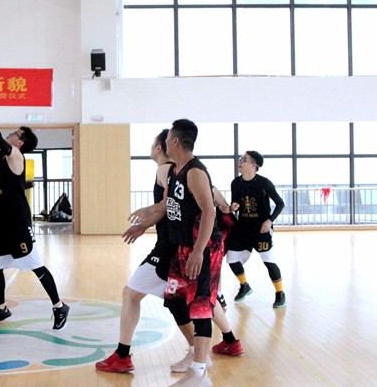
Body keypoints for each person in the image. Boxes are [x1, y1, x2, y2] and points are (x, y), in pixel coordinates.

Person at [97, 132, 240, 374]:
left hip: (170, 248)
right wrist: (224, 205)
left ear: (159, 147)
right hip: (179, 245)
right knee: (197, 298)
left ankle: (126, 355)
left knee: (135, 295)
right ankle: (228, 341)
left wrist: (146, 220)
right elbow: (207, 194)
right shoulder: (183, 171)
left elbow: (171, 204)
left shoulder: (166, 170)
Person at [0, 86, 70, 330]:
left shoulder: (16, 156)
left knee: (35, 266)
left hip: (17, 222)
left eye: (15, 133)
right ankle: (0, 308)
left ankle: (59, 306)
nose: (10, 133)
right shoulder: (1, 155)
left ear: (19, 142)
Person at [226, 150, 287, 308]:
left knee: (268, 261)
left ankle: (280, 293)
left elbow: (280, 204)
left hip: (261, 230)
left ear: (253, 165)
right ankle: (244, 285)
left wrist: (270, 220)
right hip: (243, 229)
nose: (240, 161)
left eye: (244, 159)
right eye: (241, 158)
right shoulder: (236, 183)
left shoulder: (264, 183)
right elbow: (235, 203)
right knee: (231, 258)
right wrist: (233, 206)